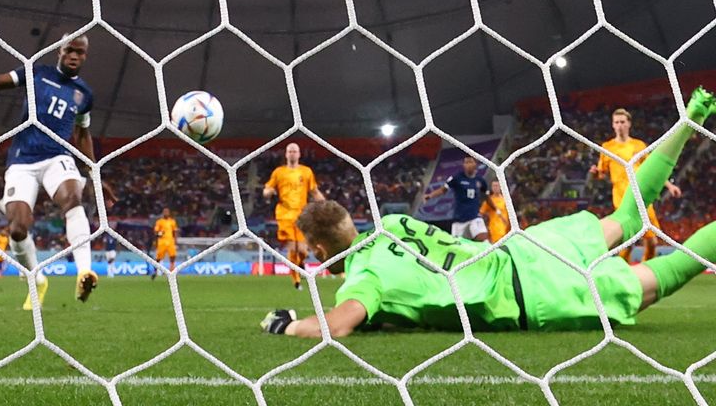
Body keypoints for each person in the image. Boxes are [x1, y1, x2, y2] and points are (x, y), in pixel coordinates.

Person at [261, 87, 716, 337]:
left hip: (534, 294)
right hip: (529, 246)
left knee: (673, 270)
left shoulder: (365, 278)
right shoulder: (394, 224)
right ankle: (691, 115)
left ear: (320, 248)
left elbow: (340, 325)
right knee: (630, 214)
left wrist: (289, 326)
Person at [0, 33, 117, 309]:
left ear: (85, 56)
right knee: (17, 229)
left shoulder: (84, 94)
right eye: (70, 50)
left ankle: (84, 272)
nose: (74, 56)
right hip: (23, 160)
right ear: (59, 52)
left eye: (80, 52)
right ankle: (37, 279)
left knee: (72, 200)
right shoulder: (37, 72)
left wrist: (94, 172)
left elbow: (82, 132)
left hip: (57, 157)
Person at [590, 108, 682, 263]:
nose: (619, 125)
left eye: (622, 122)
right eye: (616, 122)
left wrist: (669, 186)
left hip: (642, 195)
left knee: (652, 242)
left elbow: (652, 169)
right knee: (629, 241)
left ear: (629, 124)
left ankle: (645, 271)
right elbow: (601, 173)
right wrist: (594, 174)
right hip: (622, 198)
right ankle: (622, 273)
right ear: (613, 125)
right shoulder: (607, 147)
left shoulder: (639, 145)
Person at [263, 143, 325, 290]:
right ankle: (296, 280)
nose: (292, 153)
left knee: (302, 251)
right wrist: (267, 192)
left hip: (302, 215)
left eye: (294, 151)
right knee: (293, 248)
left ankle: (300, 264)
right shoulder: (279, 172)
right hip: (284, 215)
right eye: (289, 151)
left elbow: (314, 192)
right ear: (286, 154)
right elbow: (268, 188)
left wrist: (326, 205)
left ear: (299, 154)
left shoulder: (306, 172)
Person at [423, 156, 494, 242]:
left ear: (476, 164)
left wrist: (494, 209)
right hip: (459, 219)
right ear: (463, 165)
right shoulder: (457, 178)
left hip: (474, 217)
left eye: (470, 162)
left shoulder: (480, 180)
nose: (468, 165)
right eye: (466, 162)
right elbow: (443, 190)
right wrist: (430, 195)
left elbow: (486, 195)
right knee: (459, 247)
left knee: (484, 240)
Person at [151, 207, 178, 280]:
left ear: (169, 213)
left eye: (167, 212)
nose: (166, 213)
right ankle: (155, 271)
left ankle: (172, 272)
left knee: (172, 257)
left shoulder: (172, 221)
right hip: (162, 242)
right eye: (164, 212)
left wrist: (175, 241)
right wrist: (160, 234)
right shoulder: (159, 222)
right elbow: (156, 232)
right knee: (158, 258)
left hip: (170, 242)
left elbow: (174, 232)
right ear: (163, 213)